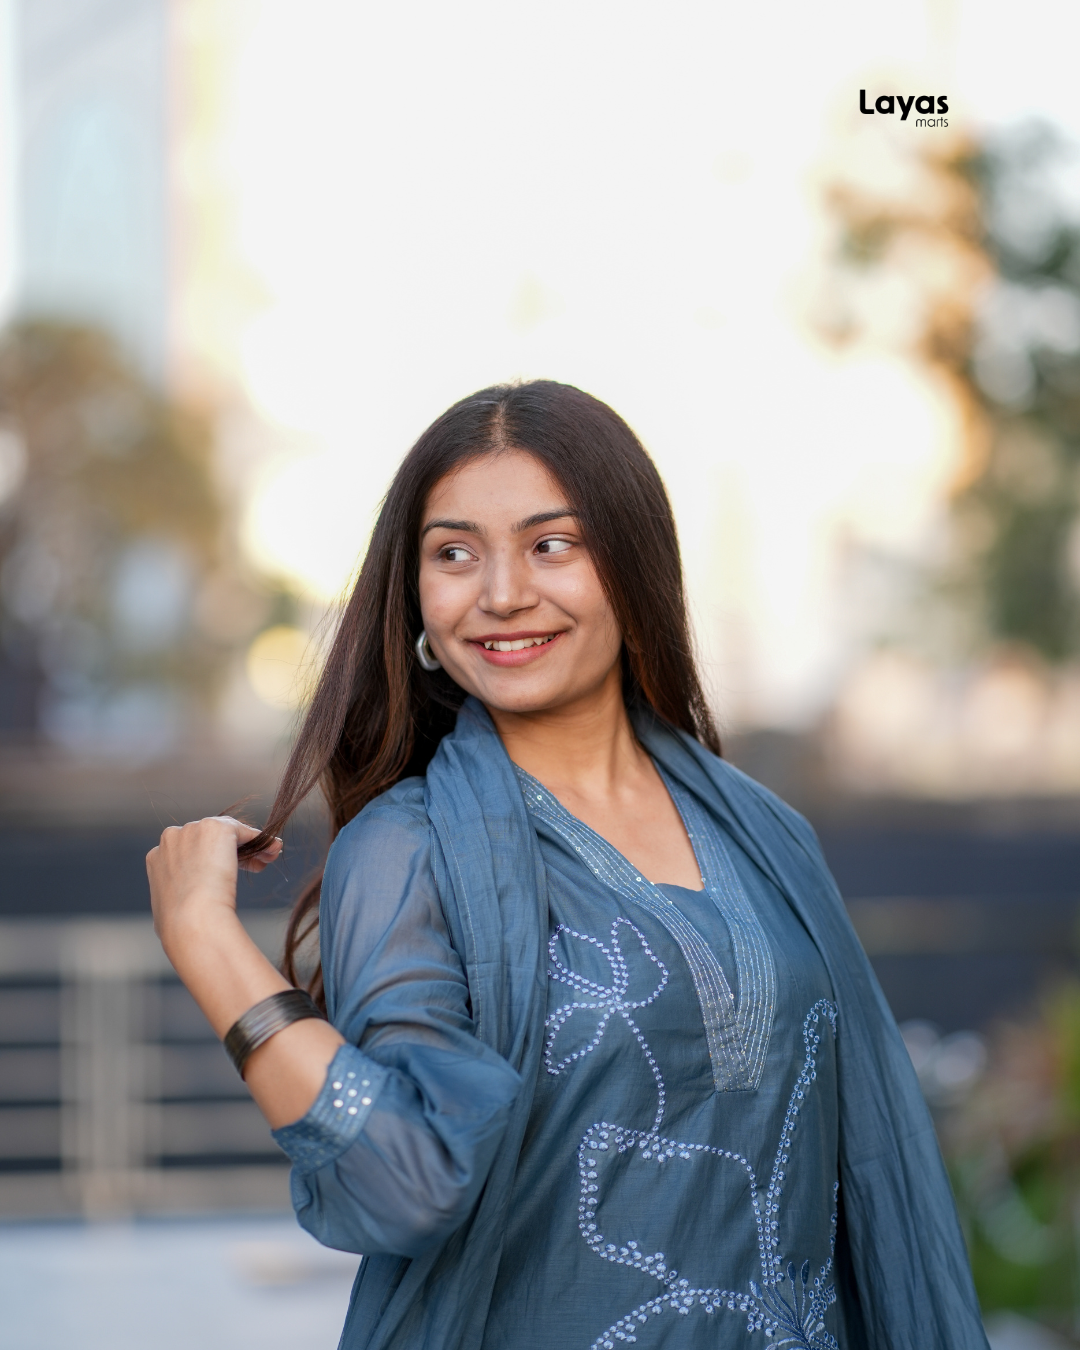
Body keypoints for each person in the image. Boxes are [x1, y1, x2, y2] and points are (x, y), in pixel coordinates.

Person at [147, 381, 988, 1350]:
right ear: (417, 598)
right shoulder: (407, 849)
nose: (502, 593)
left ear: (633, 568)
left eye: (553, 544)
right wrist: (209, 943)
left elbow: (867, 1169)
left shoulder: (767, 836)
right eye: (455, 553)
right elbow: (407, 1177)